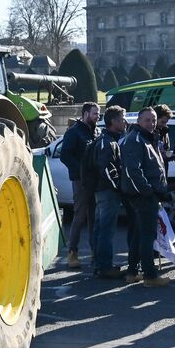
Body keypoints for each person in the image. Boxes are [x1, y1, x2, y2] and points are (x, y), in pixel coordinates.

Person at [119, 106, 171, 286]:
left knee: (139, 234)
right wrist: (148, 191)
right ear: (139, 121)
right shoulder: (135, 140)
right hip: (142, 196)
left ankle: (132, 271)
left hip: (145, 194)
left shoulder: (147, 139)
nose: (152, 123)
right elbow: (133, 171)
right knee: (147, 235)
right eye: (148, 120)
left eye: (154, 119)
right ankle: (150, 276)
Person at [88, 105, 129, 279]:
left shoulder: (105, 139)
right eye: (121, 120)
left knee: (100, 228)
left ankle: (99, 263)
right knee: (106, 230)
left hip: (102, 191)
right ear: (113, 122)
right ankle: (104, 266)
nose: (124, 122)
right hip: (107, 191)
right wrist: (118, 185)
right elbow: (106, 168)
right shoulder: (107, 142)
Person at [59, 102, 100, 269]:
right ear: (85, 114)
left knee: (94, 216)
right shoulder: (74, 132)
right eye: (94, 114)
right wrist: (81, 171)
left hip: (95, 180)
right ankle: (72, 253)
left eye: (98, 114)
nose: (97, 116)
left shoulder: (95, 131)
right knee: (80, 215)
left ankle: (94, 252)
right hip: (80, 181)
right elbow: (65, 156)